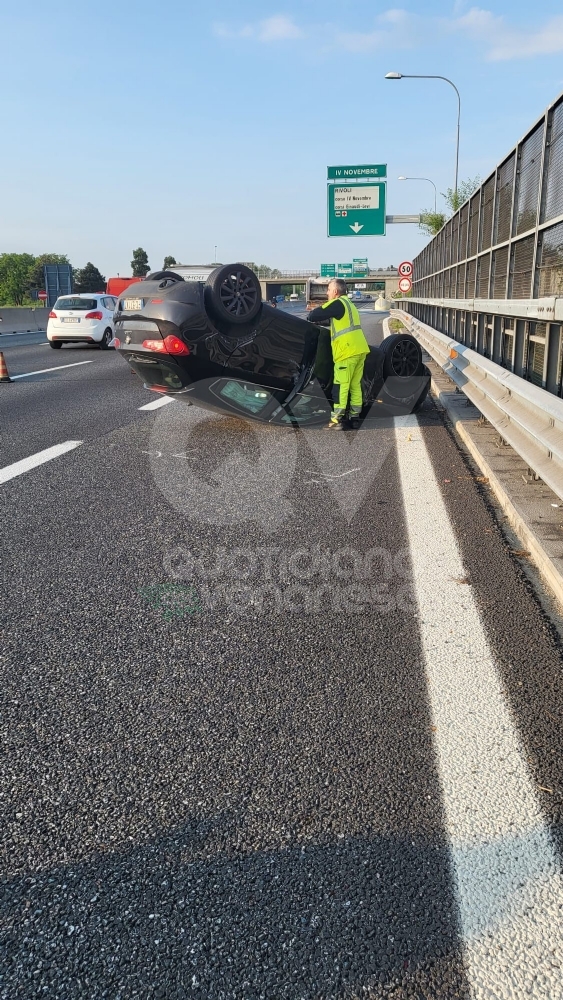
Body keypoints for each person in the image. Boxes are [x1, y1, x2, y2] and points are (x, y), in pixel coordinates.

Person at [306, 278, 369, 429]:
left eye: (328, 290)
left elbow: (315, 314)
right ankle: (354, 417)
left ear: (335, 291)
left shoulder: (337, 303)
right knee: (355, 385)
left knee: (341, 386)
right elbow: (334, 321)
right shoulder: (349, 305)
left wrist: (311, 315)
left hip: (346, 352)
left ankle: (337, 420)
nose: (327, 293)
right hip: (359, 350)